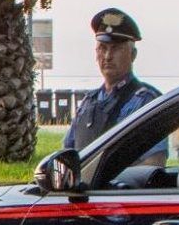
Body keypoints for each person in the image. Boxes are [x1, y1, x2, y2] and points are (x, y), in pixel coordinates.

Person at [63, 8, 163, 156]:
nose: (108, 56)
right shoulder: (88, 102)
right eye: (102, 49)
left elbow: (153, 163)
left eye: (116, 49)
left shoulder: (145, 102)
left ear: (133, 55)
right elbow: (67, 154)